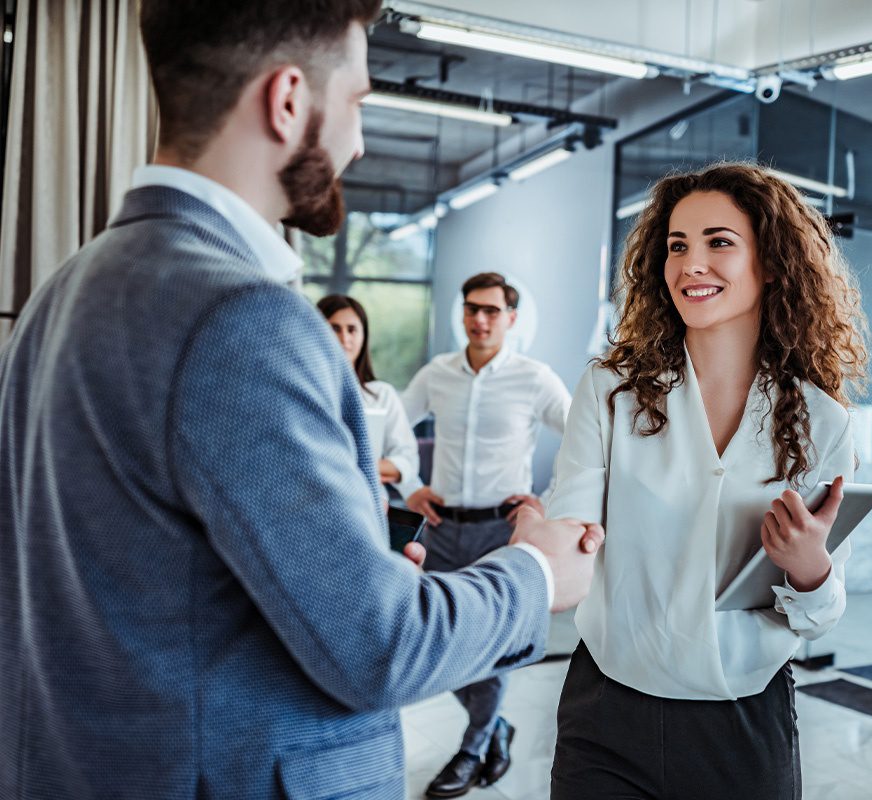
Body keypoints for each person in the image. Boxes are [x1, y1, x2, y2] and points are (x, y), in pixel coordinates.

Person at [0, 4, 604, 799]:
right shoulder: (240, 318)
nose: (356, 140)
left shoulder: (61, 292)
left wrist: (349, 560)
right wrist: (536, 572)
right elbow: (380, 647)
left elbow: (152, 583)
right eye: (355, 101)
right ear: (288, 100)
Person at [547, 162, 870, 799]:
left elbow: (821, 616)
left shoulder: (821, 421)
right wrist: (532, 563)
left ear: (773, 263)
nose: (691, 263)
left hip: (742, 720)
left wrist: (811, 568)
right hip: (607, 709)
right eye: (677, 245)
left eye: (719, 242)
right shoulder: (610, 393)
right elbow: (570, 536)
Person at [401, 271, 573, 797]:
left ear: (511, 319)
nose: (480, 319)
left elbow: (584, 440)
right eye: (472, 309)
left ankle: (472, 749)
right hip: (440, 529)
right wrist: (409, 485)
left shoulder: (534, 377)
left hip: (498, 531)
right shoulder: (437, 374)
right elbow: (390, 430)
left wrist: (549, 501)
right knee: (436, 641)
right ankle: (496, 727)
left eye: (492, 311)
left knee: (491, 648)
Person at [318, 294, 420, 499]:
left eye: (352, 330)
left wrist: (354, 465)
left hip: (368, 506)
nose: (344, 339)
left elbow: (407, 461)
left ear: (363, 336)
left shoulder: (382, 395)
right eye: (334, 328)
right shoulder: (303, 394)